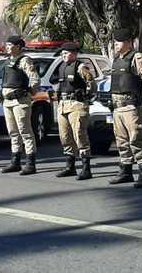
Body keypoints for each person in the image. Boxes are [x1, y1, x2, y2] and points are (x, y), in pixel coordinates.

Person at [106, 29, 142, 188]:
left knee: (136, 139)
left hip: (131, 106)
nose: (115, 45)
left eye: (118, 42)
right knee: (121, 141)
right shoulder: (117, 59)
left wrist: (141, 99)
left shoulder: (136, 57)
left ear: (128, 42)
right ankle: (126, 171)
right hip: (118, 107)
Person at [52, 42, 96, 180]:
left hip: (76, 104)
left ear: (74, 54)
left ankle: (86, 168)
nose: (63, 55)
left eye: (66, 53)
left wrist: (87, 97)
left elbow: (91, 83)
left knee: (79, 135)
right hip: (63, 104)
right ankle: (70, 167)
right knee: (65, 136)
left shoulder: (80, 66)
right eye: (62, 53)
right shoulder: (61, 66)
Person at [0, 36, 40, 175]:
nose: (8, 47)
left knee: (25, 131)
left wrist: (29, 93)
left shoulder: (24, 60)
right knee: (13, 132)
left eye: (10, 44)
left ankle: (30, 163)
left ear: (18, 46)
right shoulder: (7, 61)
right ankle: (15, 161)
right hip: (7, 101)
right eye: (7, 44)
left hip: (20, 101)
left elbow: (34, 79)